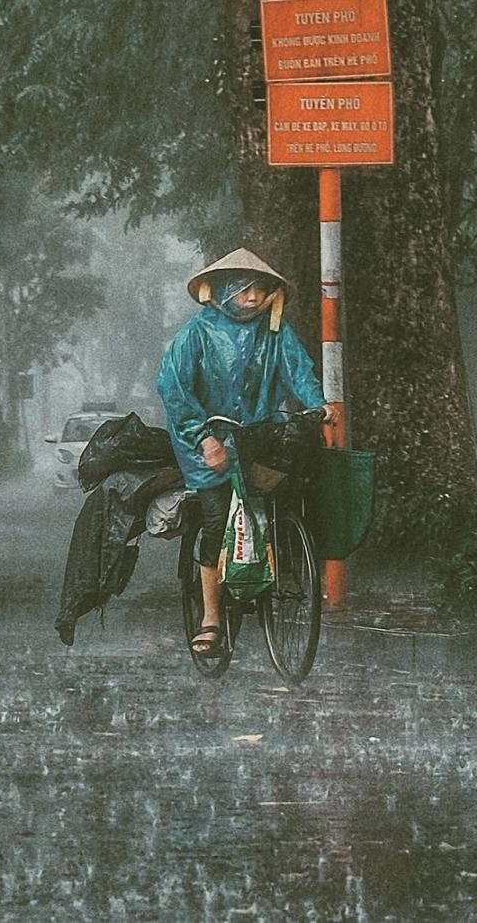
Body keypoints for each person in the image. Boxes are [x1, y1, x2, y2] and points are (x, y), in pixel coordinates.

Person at [156, 248, 328, 659]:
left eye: (260, 290)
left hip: (259, 435)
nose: (253, 298)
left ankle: (278, 568)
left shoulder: (276, 332)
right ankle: (211, 618)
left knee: (286, 497)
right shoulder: (195, 335)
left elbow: (298, 371)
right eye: (245, 290)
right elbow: (174, 391)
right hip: (206, 441)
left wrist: (318, 406)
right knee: (217, 520)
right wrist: (203, 438)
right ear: (224, 290)